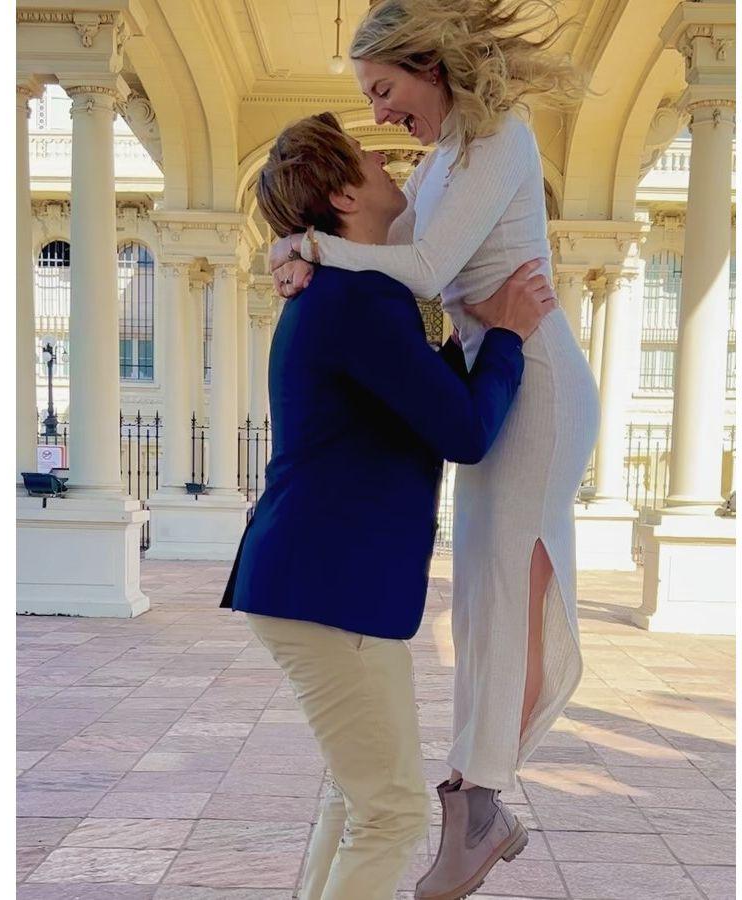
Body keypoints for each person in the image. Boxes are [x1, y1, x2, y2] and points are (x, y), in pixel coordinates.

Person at [268, 3, 601, 898]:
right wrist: (305, 252)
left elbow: (418, 271)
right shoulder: (443, 158)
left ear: (430, 64)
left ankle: (477, 801)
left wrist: (305, 243)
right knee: (479, 598)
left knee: (504, 588)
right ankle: (476, 800)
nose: (380, 114)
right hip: (495, 370)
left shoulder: (499, 139)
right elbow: (386, 248)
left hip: (533, 377)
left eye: (385, 90)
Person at [221, 112, 556, 900]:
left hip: (322, 587)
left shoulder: (356, 291)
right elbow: (464, 431)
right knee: (393, 811)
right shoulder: (357, 300)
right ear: (344, 194)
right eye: (364, 156)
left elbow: (432, 393)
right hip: (327, 592)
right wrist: (507, 335)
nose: (382, 153)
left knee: (357, 799)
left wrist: (298, 248)